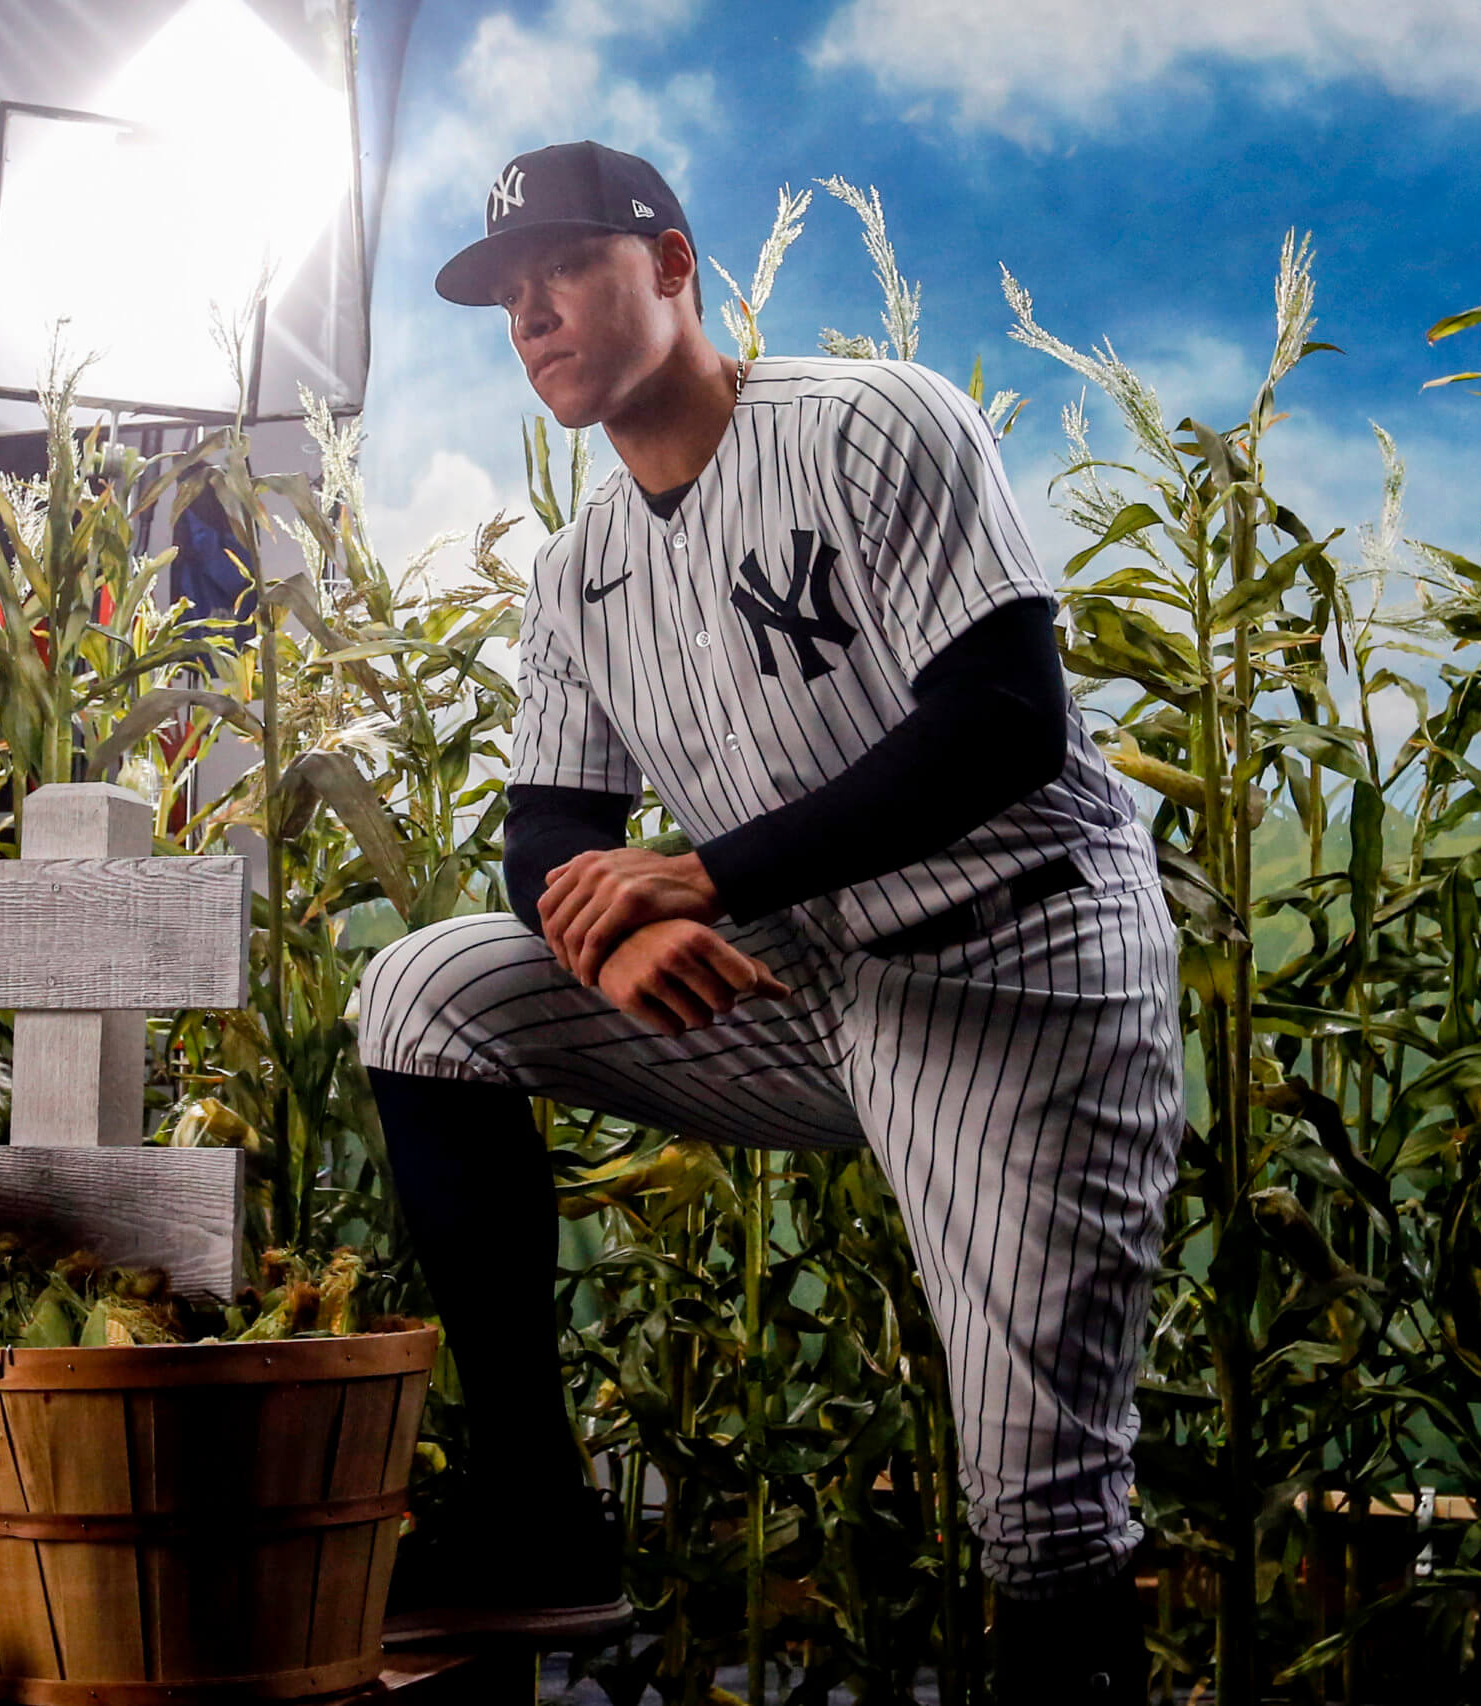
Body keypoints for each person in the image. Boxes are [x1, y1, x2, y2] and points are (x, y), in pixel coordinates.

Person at [356, 140, 1182, 1706]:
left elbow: (1004, 717)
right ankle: (539, 1518)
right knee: (423, 993)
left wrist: (702, 876)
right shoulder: (581, 569)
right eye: (506, 295)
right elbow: (553, 824)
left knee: (1037, 1505)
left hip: (1016, 975)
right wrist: (612, 930)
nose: (532, 314)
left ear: (669, 265)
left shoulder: (876, 423)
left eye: (568, 269)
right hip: (793, 988)